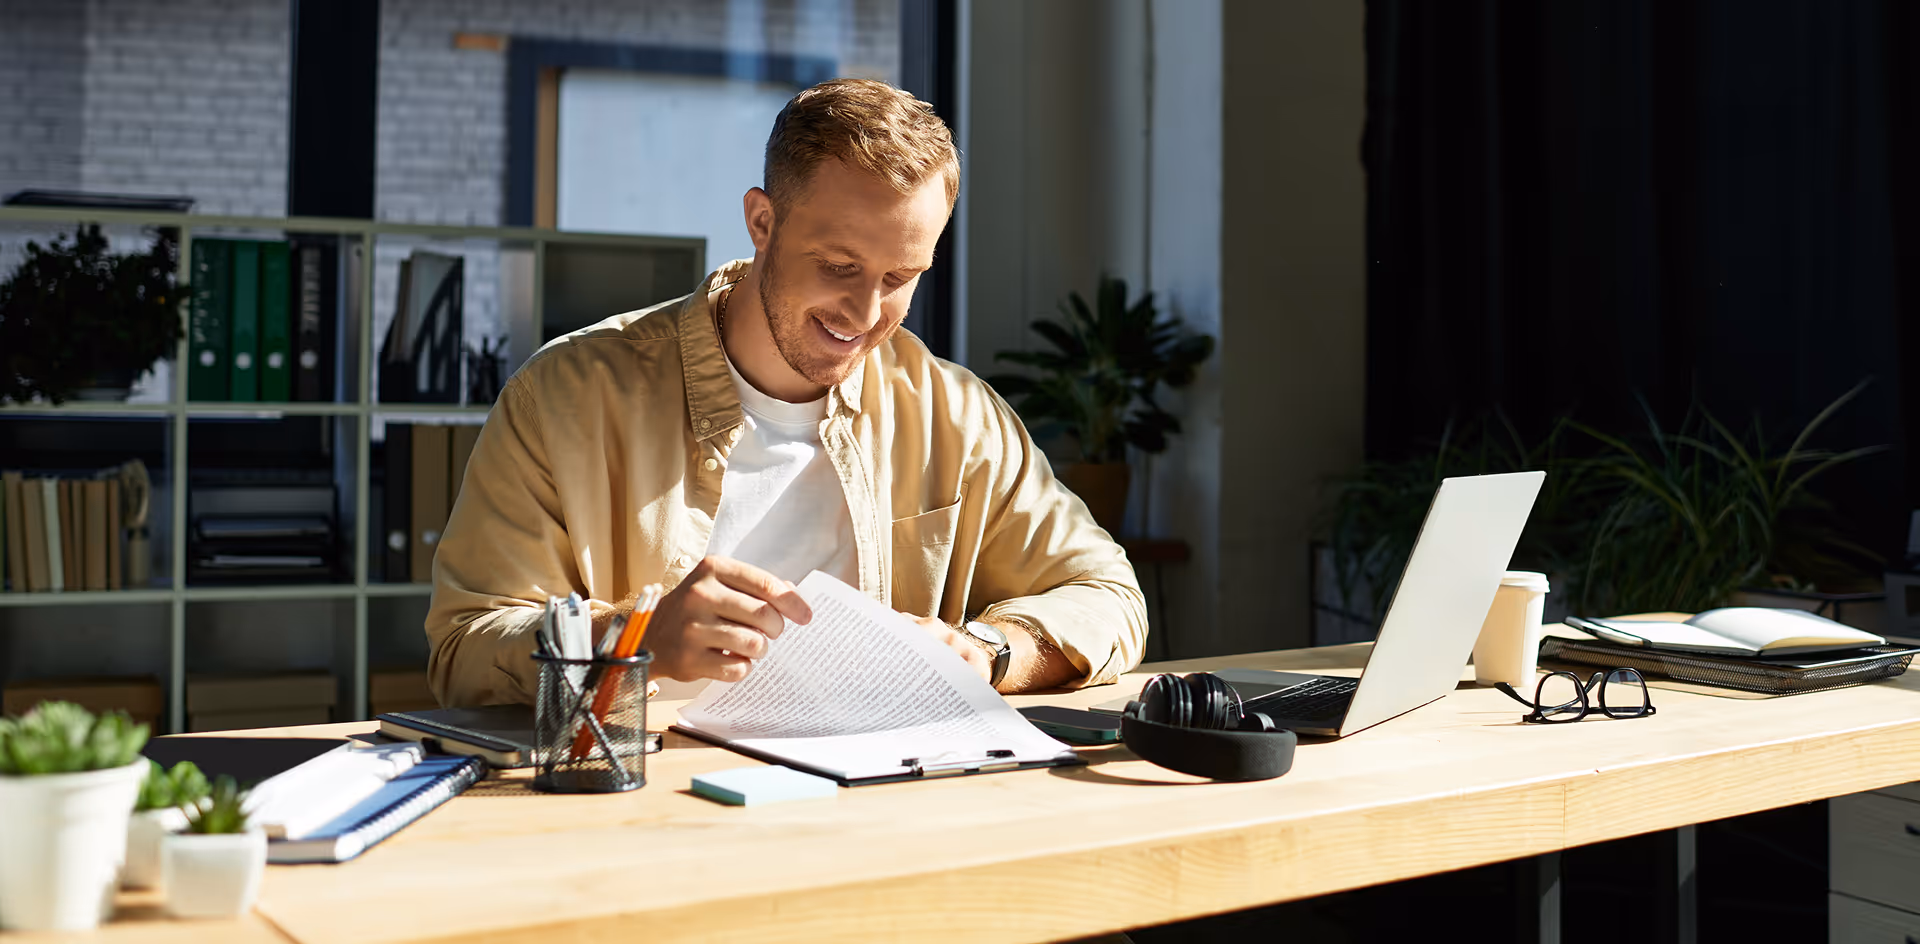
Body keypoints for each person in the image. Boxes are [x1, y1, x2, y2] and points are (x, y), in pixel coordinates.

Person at [425, 78, 1146, 706]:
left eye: (899, 278)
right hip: (642, 802)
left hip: (870, 805)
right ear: (761, 222)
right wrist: (629, 638)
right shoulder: (567, 396)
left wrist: (989, 651)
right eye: (838, 265)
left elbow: (1109, 596)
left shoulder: (952, 413)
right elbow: (463, 650)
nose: (865, 316)